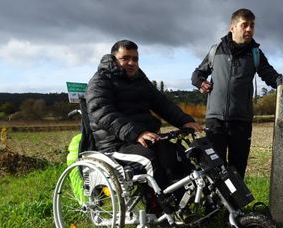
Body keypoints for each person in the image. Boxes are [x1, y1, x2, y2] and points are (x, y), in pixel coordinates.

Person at [191, 8, 283, 178]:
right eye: (245, 25)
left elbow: (275, 79)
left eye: (252, 25)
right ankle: (215, 205)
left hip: (241, 122)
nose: (249, 29)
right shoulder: (216, 51)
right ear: (233, 27)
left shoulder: (255, 53)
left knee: (237, 170)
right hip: (215, 121)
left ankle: (236, 205)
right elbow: (196, 74)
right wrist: (200, 82)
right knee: (214, 170)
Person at [86, 39, 203, 191]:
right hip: (117, 143)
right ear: (114, 59)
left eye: (135, 59)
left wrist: (184, 121)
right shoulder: (100, 81)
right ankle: (158, 208)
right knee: (149, 160)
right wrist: (136, 133)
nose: (131, 63)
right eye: (125, 58)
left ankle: (183, 202)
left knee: (175, 151)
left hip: (144, 139)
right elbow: (102, 111)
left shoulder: (139, 79)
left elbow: (161, 103)